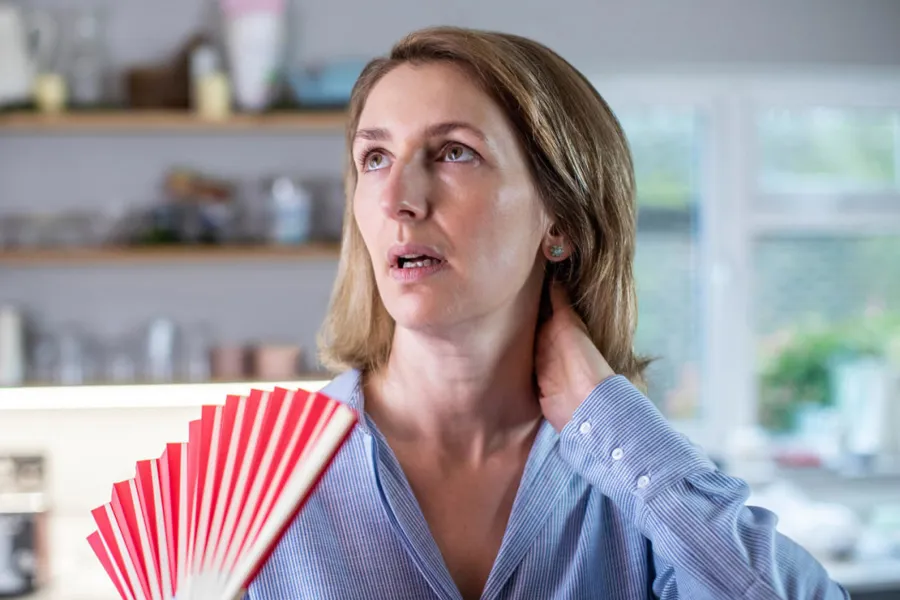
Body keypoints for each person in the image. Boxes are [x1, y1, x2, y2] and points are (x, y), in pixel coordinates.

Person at [246, 26, 848, 600]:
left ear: (557, 219)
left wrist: (608, 421)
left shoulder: (633, 480)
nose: (398, 199)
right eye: (374, 158)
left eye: (454, 152)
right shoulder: (255, 482)